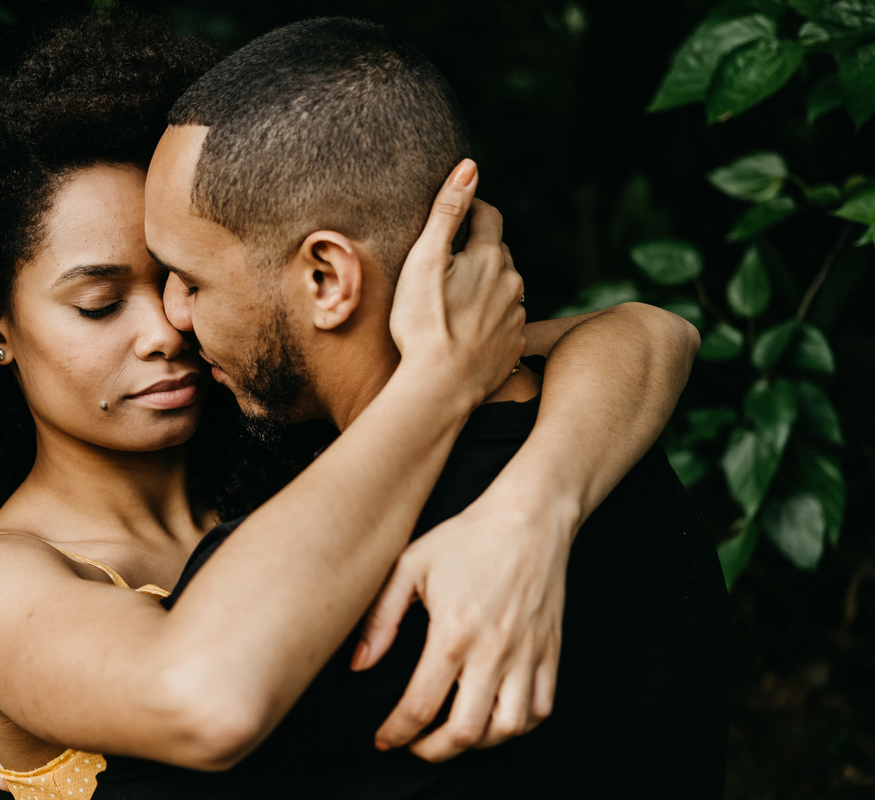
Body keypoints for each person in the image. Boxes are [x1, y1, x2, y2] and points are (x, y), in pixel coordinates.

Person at [0, 12, 704, 800]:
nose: (167, 326)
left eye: (182, 279)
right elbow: (200, 691)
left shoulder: (287, 431)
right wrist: (435, 383)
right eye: (100, 302)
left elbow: (645, 332)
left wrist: (530, 510)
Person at [123, 15, 729, 799]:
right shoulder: (622, 458)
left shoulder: (304, 606)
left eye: (190, 279)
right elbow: (654, 327)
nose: (170, 313)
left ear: (326, 279)